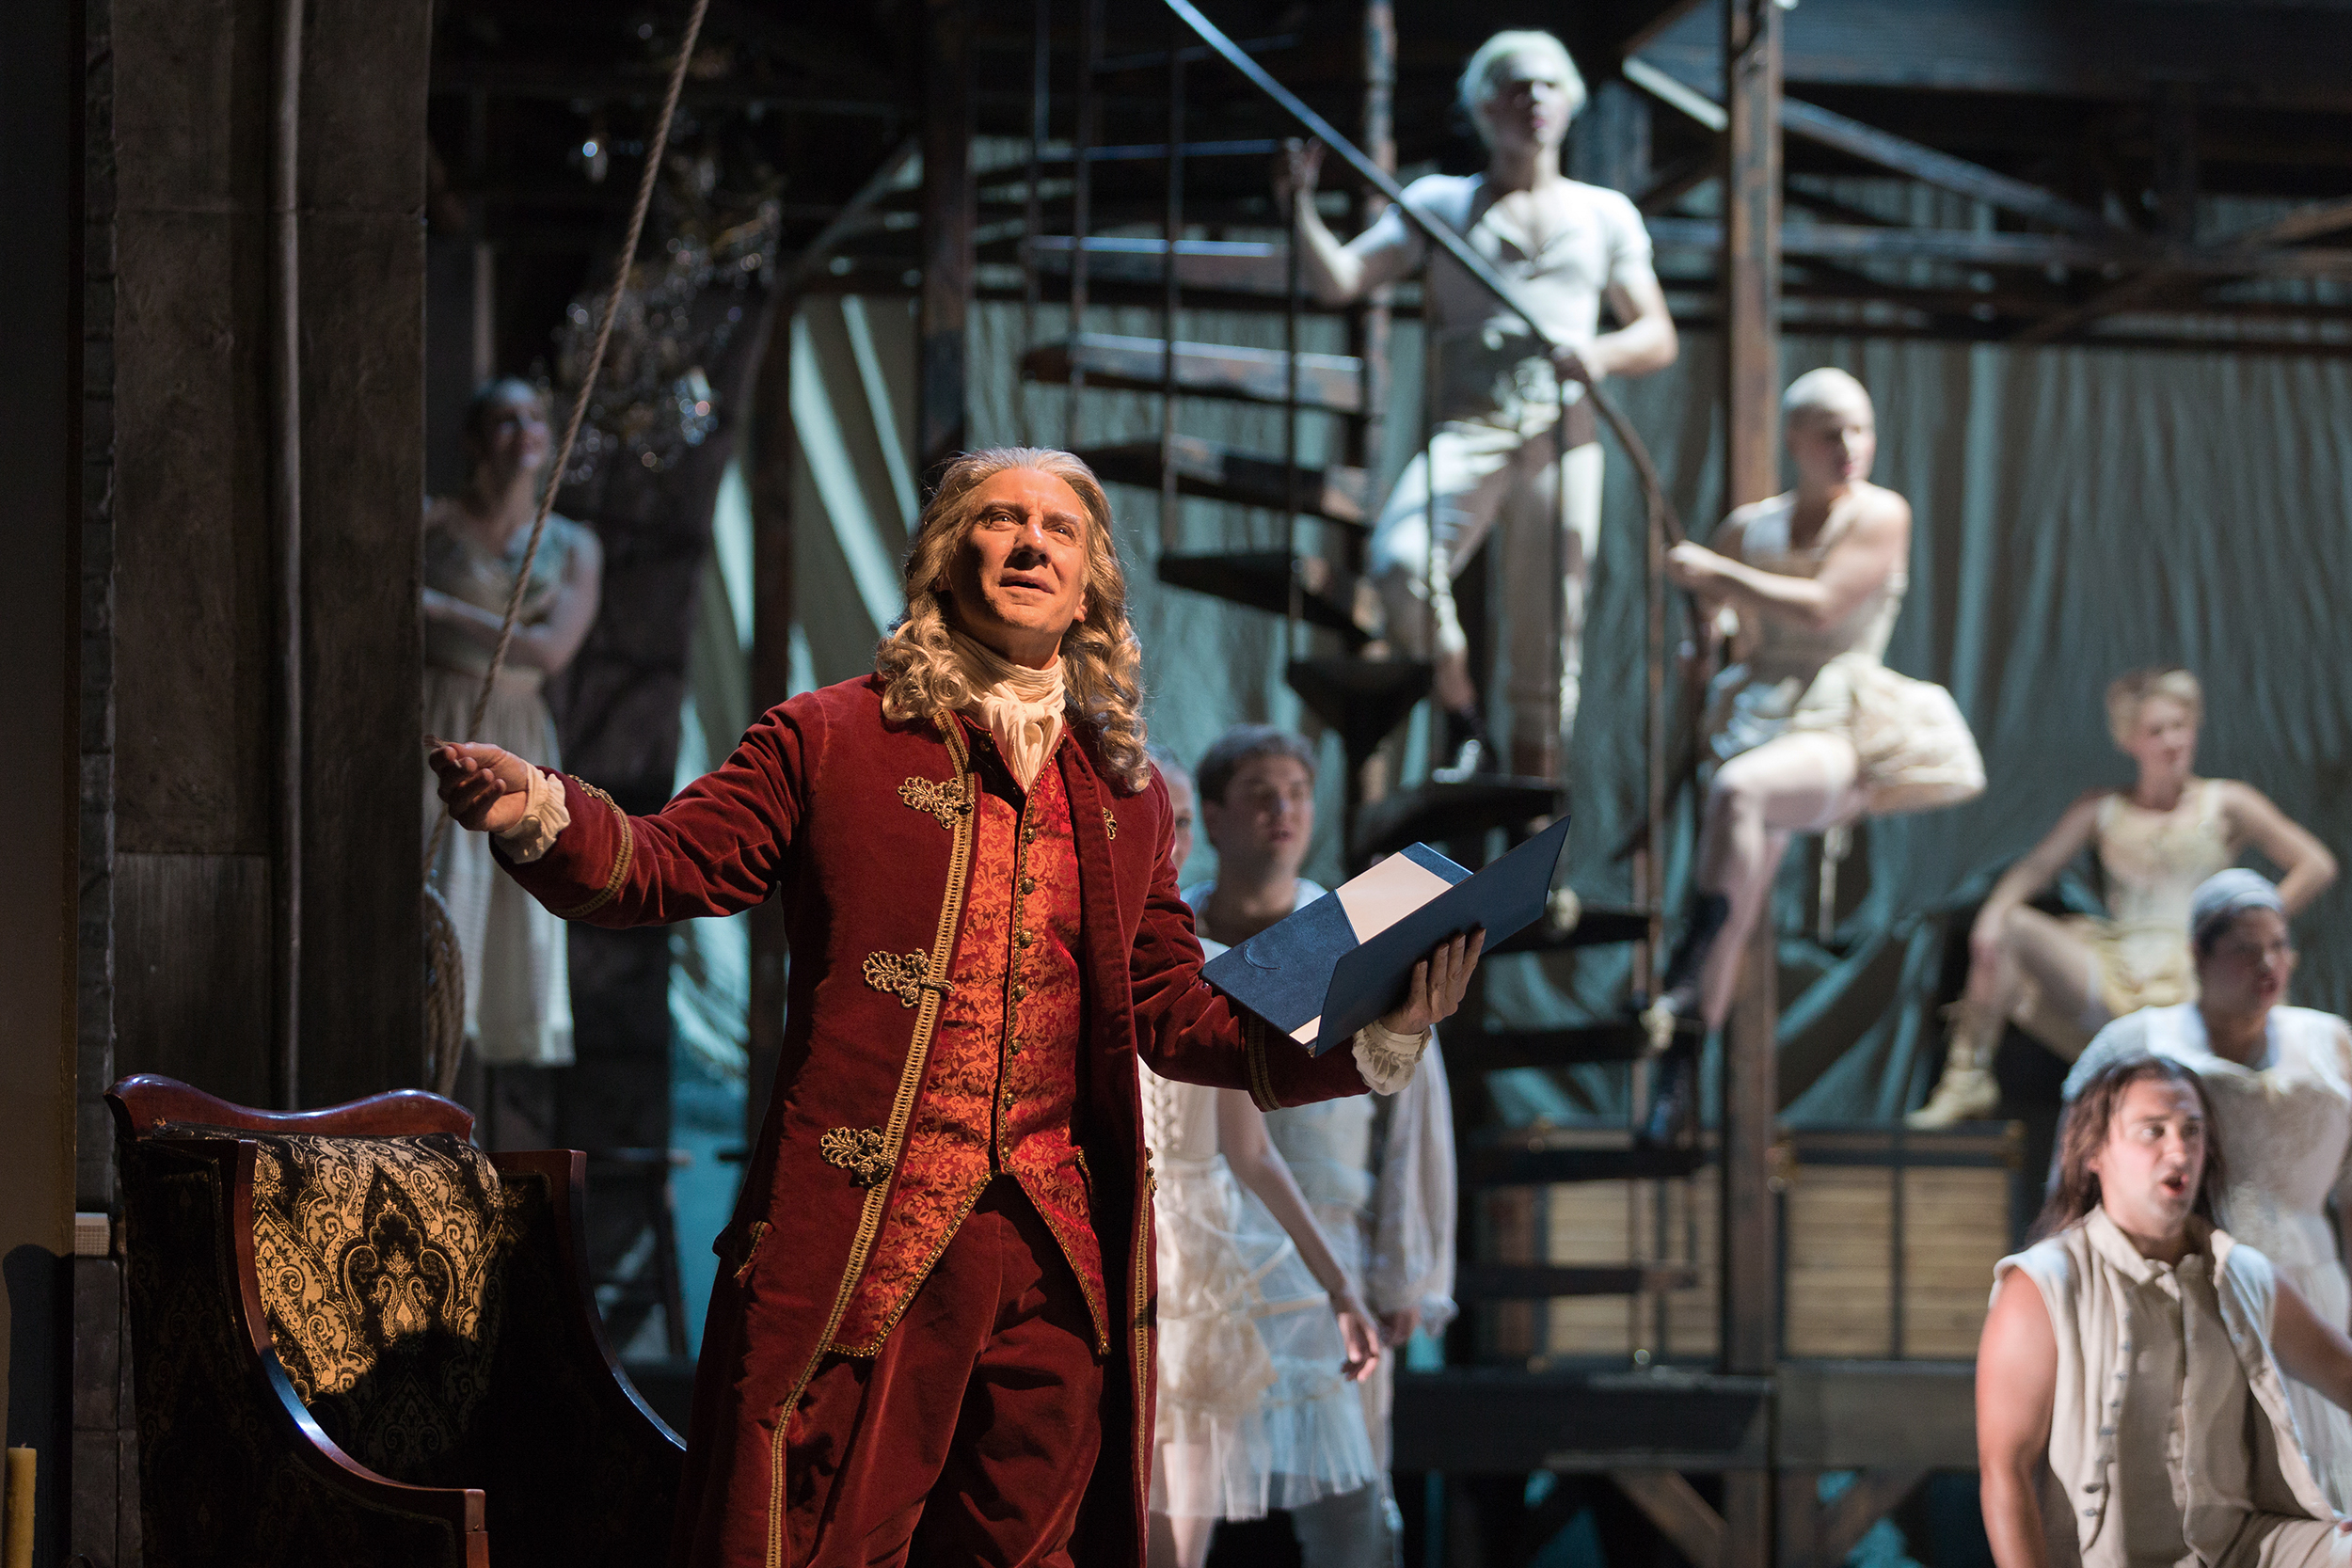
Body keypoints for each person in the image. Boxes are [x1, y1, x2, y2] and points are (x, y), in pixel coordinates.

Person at [428, 447, 1485, 1568]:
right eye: (999, 518)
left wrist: (1382, 1021)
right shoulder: (828, 736)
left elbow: (1175, 1008)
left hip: (1058, 1269)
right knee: (816, 1538)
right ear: (945, 556)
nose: (1031, 541)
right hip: (859, 1247)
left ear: (1091, 584)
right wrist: (542, 810)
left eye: (1059, 529)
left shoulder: (1127, 795)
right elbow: (666, 863)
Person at [1276, 29, 1677, 780]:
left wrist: (1599, 352)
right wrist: (1300, 206)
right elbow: (1340, 280)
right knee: (1400, 563)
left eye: (1550, 85)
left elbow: (1656, 334)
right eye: (1518, 87)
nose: (1535, 101)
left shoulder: (1604, 213)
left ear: (1571, 104)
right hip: (1472, 423)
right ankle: (1463, 713)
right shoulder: (1441, 202)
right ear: (1486, 105)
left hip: (1563, 431)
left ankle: (1532, 803)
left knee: (1552, 631)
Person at [1642, 371, 1983, 1090]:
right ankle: (1680, 1068)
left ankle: (1686, 961)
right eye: (1831, 432)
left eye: (1860, 429)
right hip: (1758, 710)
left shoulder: (1880, 514)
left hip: (1840, 717)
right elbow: (1728, 626)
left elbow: (1823, 607)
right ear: (1795, 439)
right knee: (1740, 887)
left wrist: (1716, 575)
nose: (1848, 446)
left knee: (1740, 791)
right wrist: (1706, 633)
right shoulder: (1750, 526)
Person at [1184, 724, 1460, 1568]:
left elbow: (1416, 1114)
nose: (1284, 811)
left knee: (1347, 1496)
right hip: (1193, 1245)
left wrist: (1405, 1269)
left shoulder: (1356, 939)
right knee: (1182, 1477)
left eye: (1299, 793)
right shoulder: (1170, 937)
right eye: (1262, 793)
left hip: (1325, 1236)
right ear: (1215, 814)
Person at [1136, 747, 1383, 1568]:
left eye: (1168, 823)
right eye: (1142, 818)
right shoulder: (1071, 967)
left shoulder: (1216, 975)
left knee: (1180, 1543)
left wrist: (1340, 1286)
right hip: (1113, 1249)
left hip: (1201, 1266)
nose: (1156, 842)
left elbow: (1253, 1154)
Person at [1909, 666, 2337, 1128]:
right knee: (2010, 930)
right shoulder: (2103, 808)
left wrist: (2250, 929)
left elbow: (2316, 864)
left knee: (2253, 991)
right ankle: (1967, 1079)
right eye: (2157, 730)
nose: (2172, 741)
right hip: (2120, 970)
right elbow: (2036, 867)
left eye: (2180, 726)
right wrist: (1994, 915)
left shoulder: (2226, 802)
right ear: (2131, 740)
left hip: (2198, 974)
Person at [1977, 1051, 2352, 1568]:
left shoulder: (2243, 1275)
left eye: (2191, 1131)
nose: (2179, 1150)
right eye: (2152, 1131)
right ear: (2094, 1151)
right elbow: (2005, 1471)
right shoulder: (2043, 1285)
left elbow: (2344, 1372)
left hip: (2247, 1550)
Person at [2056, 871, 2352, 1509]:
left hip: (2313, 1280)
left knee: (2319, 1471)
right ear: (2201, 954)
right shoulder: (2140, 1041)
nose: (2267, 963)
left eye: (2278, 945)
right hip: (2192, 1276)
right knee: (2201, 1470)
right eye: (2247, 948)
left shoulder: (2328, 1041)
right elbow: (2078, 1169)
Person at [421, 376, 603, 1103]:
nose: (524, 430)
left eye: (535, 417)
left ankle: (470, 1105)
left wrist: (441, 608)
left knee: (508, 904)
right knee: (440, 888)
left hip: (517, 723)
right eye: (505, 418)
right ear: (475, 440)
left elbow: (551, 651)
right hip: (442, 709)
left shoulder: (571, 545)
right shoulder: (434, 525)